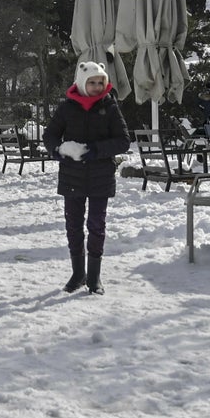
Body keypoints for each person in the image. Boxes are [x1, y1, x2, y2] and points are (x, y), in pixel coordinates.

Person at [43, 61, 131, 296]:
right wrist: (59, 150)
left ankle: (94, 276)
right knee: (73, 225)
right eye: (91, 82)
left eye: (100, 82)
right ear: (81, 82)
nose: (96, 87)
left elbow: (123, 140)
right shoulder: (66, 108)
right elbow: (50, 135)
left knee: (96, 225)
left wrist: (95, 150)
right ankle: (77, 273)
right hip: (72, 176)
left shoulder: (110, 107)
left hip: (100, 176)